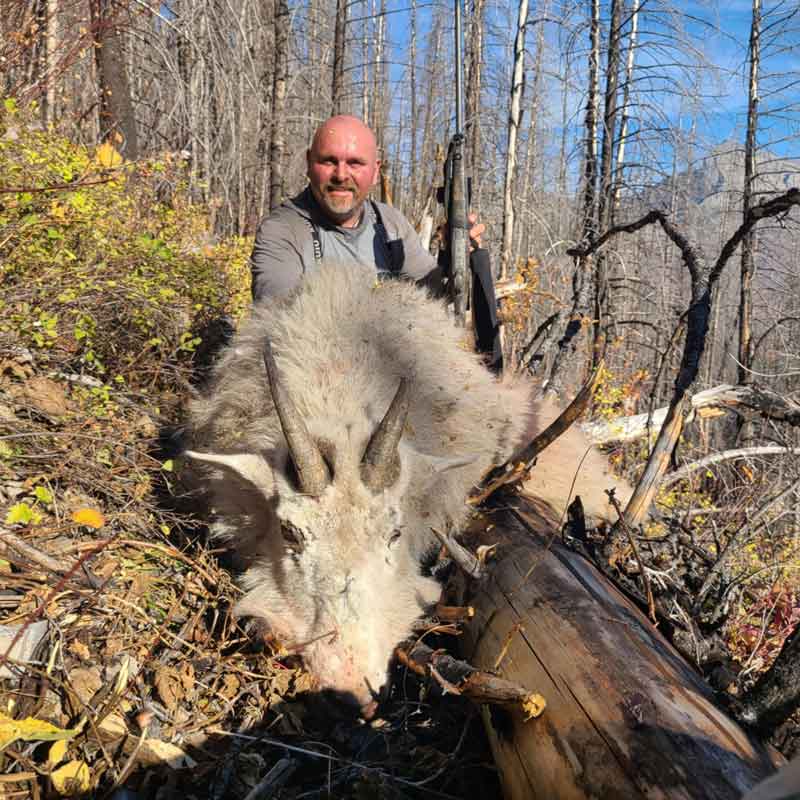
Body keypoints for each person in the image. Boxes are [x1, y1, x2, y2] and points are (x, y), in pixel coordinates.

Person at [250, 115, 485, 301]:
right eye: (329, 161)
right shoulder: (282, 229)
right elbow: (278, 315)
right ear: (309, 163)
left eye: (355, 163)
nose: (341, 175)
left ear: (375, 172)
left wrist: (455, 257)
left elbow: (435, 295)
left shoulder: (390, 224)